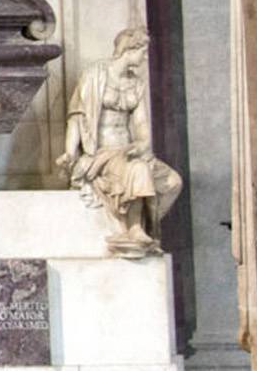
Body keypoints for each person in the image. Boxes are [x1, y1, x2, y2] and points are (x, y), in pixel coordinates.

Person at [58, 27, 181, 257]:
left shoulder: (136, 83)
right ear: (129, 49)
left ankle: (142, 223)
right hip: (103, 152)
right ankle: (133, 229)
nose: (145, 57)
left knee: (173, 182)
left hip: (128, 149)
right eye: (142, 51)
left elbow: (142, 123)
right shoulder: (95, 75)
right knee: (138, 170)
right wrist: (69, 152)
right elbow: (77, 116)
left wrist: (143, 143)